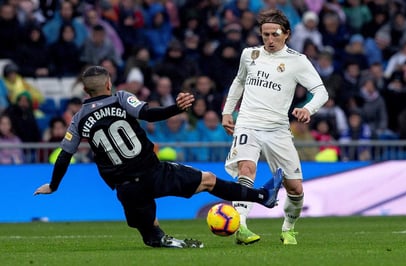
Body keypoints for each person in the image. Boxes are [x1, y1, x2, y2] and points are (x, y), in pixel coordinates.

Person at [33, 65, 282, 249]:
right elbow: (149, 114)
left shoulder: (78, 119)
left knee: (149, 234)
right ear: (108, 84)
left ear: (86, 91)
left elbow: (64, 156)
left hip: (126, 187)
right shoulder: (120, 98)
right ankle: (262, 196)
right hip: (153, 173)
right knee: (208, 180)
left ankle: (161, 237)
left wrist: (53, 186)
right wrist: (176, 108)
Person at [221, 9, 329, 245]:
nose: (269, 40)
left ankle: (288, 228)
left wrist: (307, 109)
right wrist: (227, 112)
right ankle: (241, 227)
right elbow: (238, 82)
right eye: (265, 34)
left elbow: (321, 92)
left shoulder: (298, 61)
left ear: (286, 34)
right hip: (248, 123)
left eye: (275, 34)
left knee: (295, 188)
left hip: (278, 130)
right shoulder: (249, 55)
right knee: (246, 169)